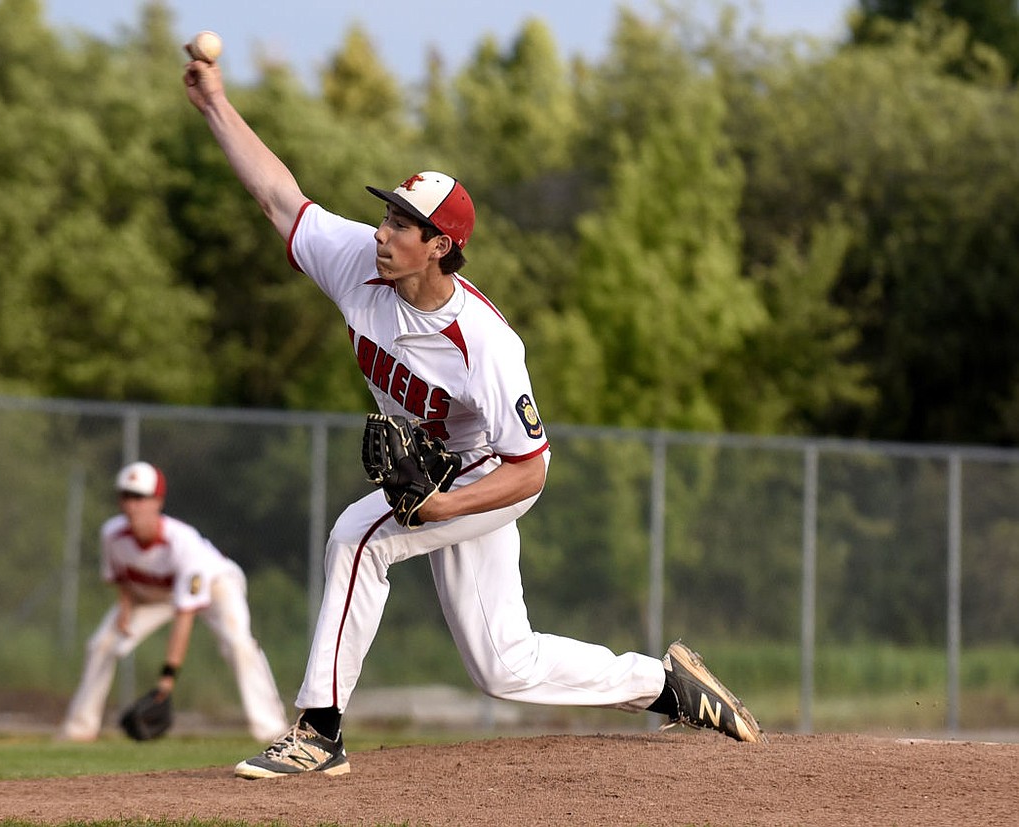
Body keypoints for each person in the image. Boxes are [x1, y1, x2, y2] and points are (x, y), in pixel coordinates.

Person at [182, 54, 765, 779]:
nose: (384, 230)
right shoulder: (354, 264)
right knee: (504, 665)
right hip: (440, 478)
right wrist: (215, 105)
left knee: (357, 536)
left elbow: (533, 468)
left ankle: (319, 730)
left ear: (441, 248)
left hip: (487, 477)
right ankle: (667, 684)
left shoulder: (485, 345)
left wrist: (445, 506)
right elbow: (278, 196)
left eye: (405, 223)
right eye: (389, 214)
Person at [59, 461, 289, 742]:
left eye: (140, 497)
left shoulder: (183, 543)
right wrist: (126, 608)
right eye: (126, 496)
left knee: (238, 644)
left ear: (157, 501)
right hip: (157, 594)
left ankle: (273, 730)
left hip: (216, 585)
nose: (132, 505)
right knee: (101, 644)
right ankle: (79, 730)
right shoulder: (112, 534)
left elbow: (184, 616)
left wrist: (166, 680)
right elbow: (120, 576)